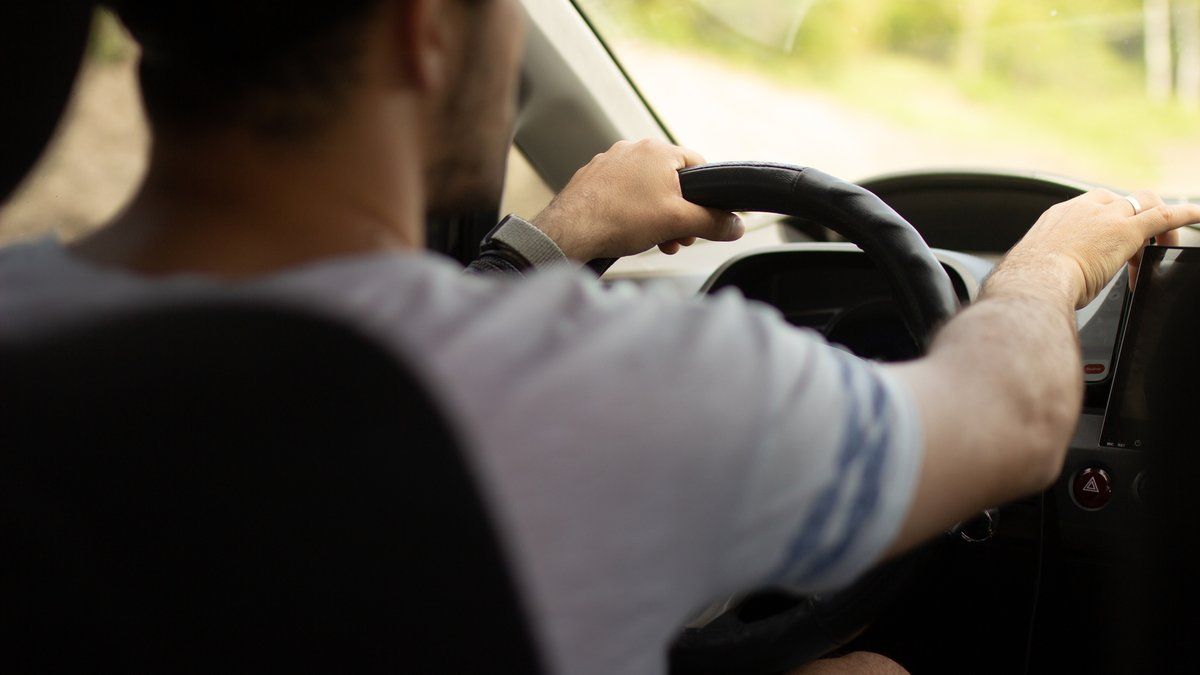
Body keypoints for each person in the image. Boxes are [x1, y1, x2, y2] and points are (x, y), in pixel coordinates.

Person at [0, 1, 1194, 673]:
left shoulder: (25, 320)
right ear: (427, 31)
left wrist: (555, 237)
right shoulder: (608, 393)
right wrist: (1053, 263)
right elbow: (1021, 419)